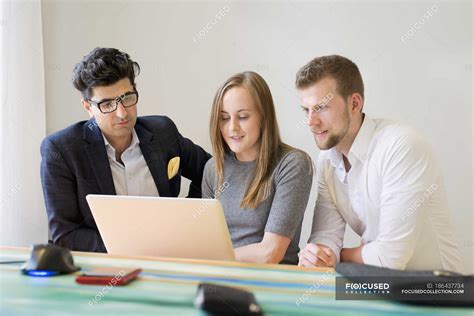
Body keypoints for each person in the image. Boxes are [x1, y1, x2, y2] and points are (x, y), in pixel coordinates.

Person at [297, 55, 463, 273]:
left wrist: (339, 256)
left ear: (355, 103)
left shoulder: (402, 146)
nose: (311, 121)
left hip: (436, 291)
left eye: (321, 107)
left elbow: (391, 257)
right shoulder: (327, 159)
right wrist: (318, 254)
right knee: (299, 299)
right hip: (381, 285)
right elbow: (326, 236)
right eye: (306, 110)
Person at [40, 47, 211, 252]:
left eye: (127, 98)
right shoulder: (62, 150)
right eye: (107, 104)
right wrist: (134, 248)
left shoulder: (162, 131)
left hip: (170, 256)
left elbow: (210, 171)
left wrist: (185, 219)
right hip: (106, 266)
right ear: (88, 107)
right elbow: (66, 234)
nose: (122, 113)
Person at [202, 71, 313, 264]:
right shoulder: (213, 168)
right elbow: (209, 243)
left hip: (272, 283)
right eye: (224, 118)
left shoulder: (292, 164)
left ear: (264, 117)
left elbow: (270, 254)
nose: (232, 128)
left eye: (243, 116)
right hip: (220, 277)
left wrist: (211, 258)